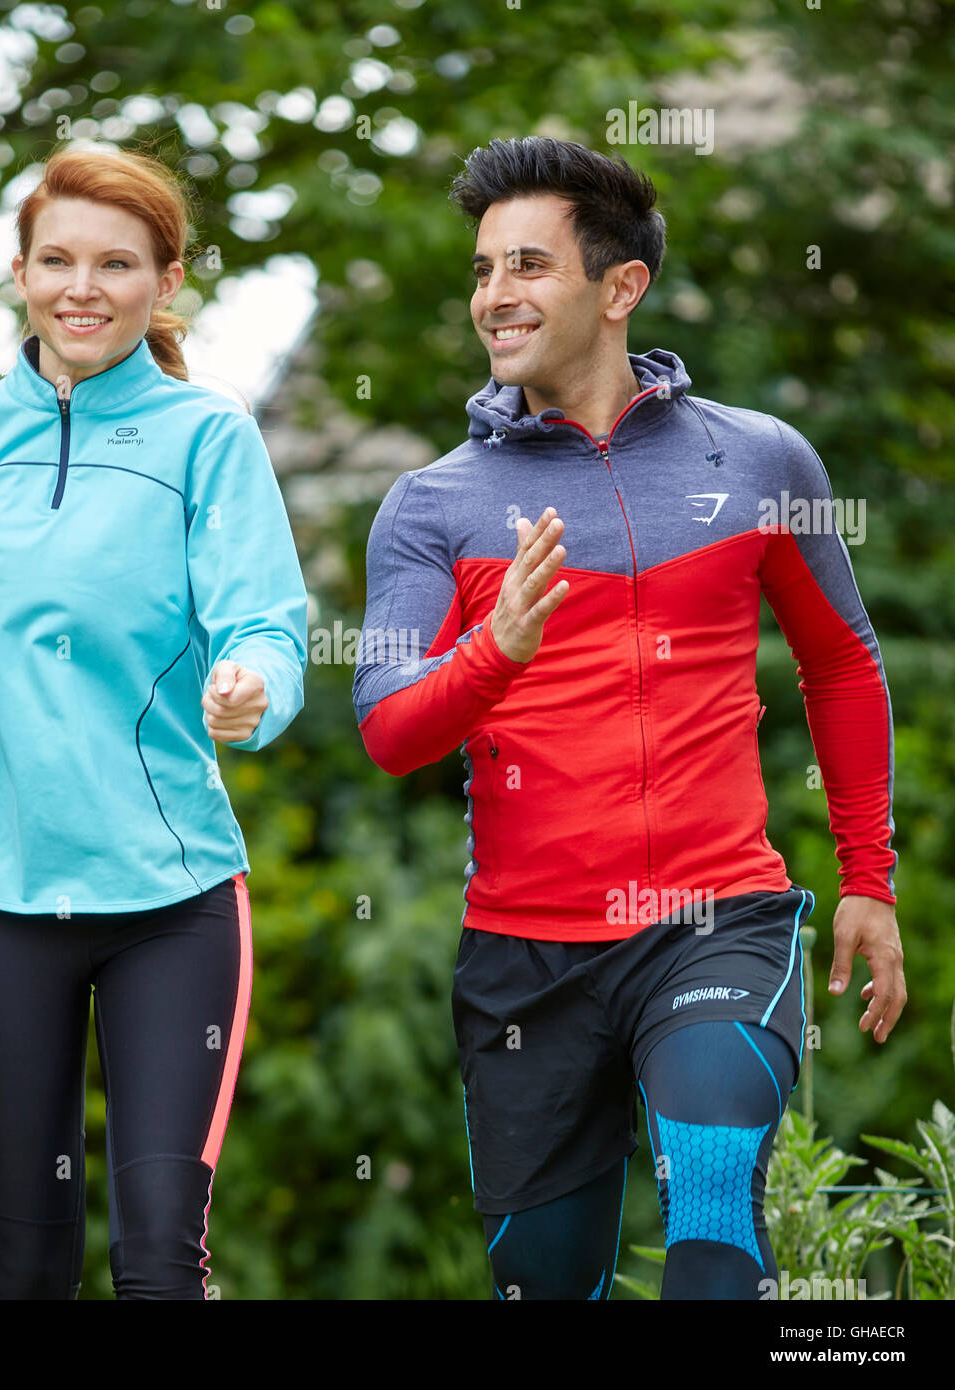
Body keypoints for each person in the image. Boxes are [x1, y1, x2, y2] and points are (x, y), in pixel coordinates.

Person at [351, 137, 904, 1300]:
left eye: (528, 265)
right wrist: (491, 652)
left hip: (716, 921)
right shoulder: (431, 504)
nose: (493, 295)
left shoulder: (759, 459)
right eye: (482, 269)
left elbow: (842, 666)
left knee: (711, 1201)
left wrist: (868, 875)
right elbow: (391, 726)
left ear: (619, 287)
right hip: (524, 959)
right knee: (547, 1286)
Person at [0, 145, 308, 1299]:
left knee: (161, 1256)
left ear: (165, 281)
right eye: (57, 259)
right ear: (20, 272)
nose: (84, 287)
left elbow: (264, 617)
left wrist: (253, 686)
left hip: (172, 905)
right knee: (25, 1263)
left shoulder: (207, 440)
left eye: (116, 263)